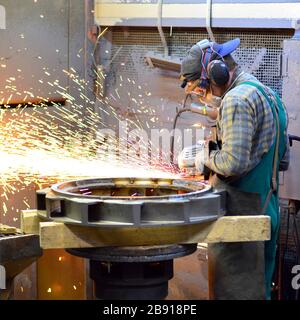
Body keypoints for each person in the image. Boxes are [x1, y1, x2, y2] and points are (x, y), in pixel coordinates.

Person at [180, 38, 289, 299]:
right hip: (266, 208)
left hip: (241, 216)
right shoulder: (266, 93)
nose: (203, 96)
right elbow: (282, 159)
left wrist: (204, 158)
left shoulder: (236, 101)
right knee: (258, 292)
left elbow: (234, 163)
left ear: (216, 74)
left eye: (200, 88)